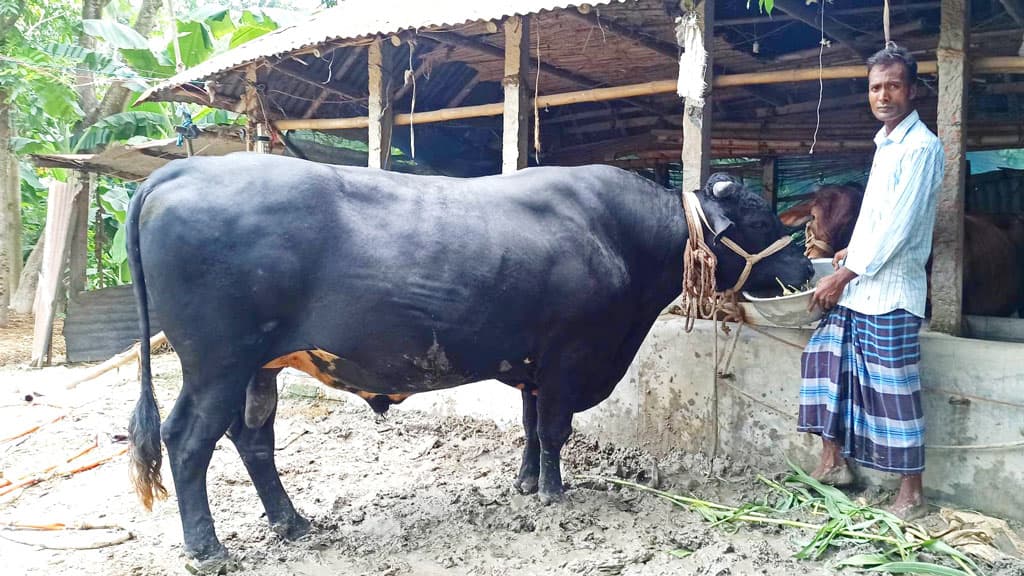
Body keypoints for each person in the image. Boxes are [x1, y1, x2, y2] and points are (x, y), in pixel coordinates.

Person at [798, 44, 945, 521]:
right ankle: (833, 462)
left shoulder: (921, 147)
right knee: (823, 359)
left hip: (892, 292)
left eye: (893, 86)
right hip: (862, 287)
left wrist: (843, 273)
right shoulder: (886, 145)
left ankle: (912, 493)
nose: (883, 95)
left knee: (893, 388)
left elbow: (900, 225)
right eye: (875, 87)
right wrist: (849, 249)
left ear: (913, 90)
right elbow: (875, 218)